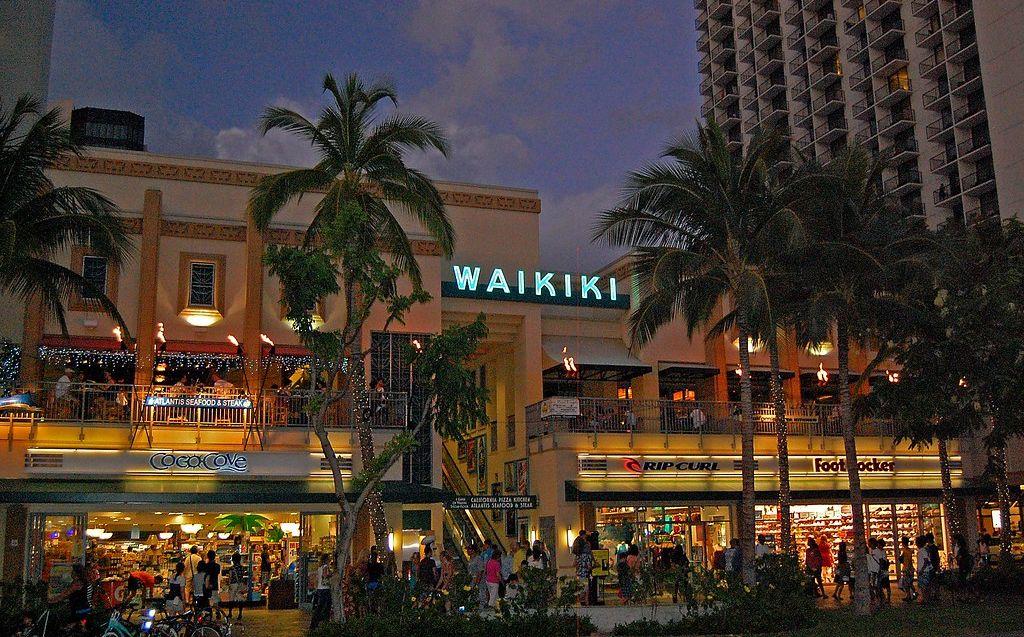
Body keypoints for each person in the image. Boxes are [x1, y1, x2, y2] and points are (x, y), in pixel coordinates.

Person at [49, 562, 91, 630]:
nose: (71, 573)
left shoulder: (77, 583)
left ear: (76, 573)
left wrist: (52, 600)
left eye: (72, 572)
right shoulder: (84, 581)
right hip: (85, 608)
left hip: (78, 610)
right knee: (80, 629)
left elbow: (65, 594)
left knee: (68, 627)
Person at [309, 554, 331, 631]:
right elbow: (325, 575)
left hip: (319, 588)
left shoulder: (319, 567)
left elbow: (317, 578)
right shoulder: (325, 567)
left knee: (319, 607)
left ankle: (314, 624)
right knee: (325, 607)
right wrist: (330, 575)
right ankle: (322, 623)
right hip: (325, 588)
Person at [226, 552, 246, 620]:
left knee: (231, 599)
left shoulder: (232, 568)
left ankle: (230, 613)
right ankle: (240, 613)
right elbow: (242, 576)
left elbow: (230, 577)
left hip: (233, 584)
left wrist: (228, 585)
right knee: (240, 599)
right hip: (240, 584)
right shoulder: (242, 568)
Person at [575, 537, 594, 606]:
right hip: (585, 575)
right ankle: (586, 603)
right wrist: (595, 566)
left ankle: (580, 603)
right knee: (586, 591)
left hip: (579, 574)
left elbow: (576, 564)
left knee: (581, 590)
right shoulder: (588, 555)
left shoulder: (578, 555)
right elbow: (589, 567)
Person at [916, 535, 934, 602]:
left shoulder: (922, 550)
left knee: (924, 586)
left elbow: (926, 561)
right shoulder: (923, 550)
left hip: (924, 571)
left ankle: (925, 599)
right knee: (924, 585)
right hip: (923, 570)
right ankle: (925, 598)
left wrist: (922, 570)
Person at [898, 536, 917, 601]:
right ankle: (912, 594)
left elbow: (908, 560)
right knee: (909, 583)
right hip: (908, 568)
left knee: (907, 583)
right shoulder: (908, 550)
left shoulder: (906, 551)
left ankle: (910, 595)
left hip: (907, 568)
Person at [874, 538, 891, 604]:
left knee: (879, 584)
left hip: (881, 569)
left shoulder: (877, 551)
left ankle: (882, 598)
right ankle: (887, 598)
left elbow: (881, 561)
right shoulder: (883, 551)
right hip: (885, 570)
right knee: (886, 585)